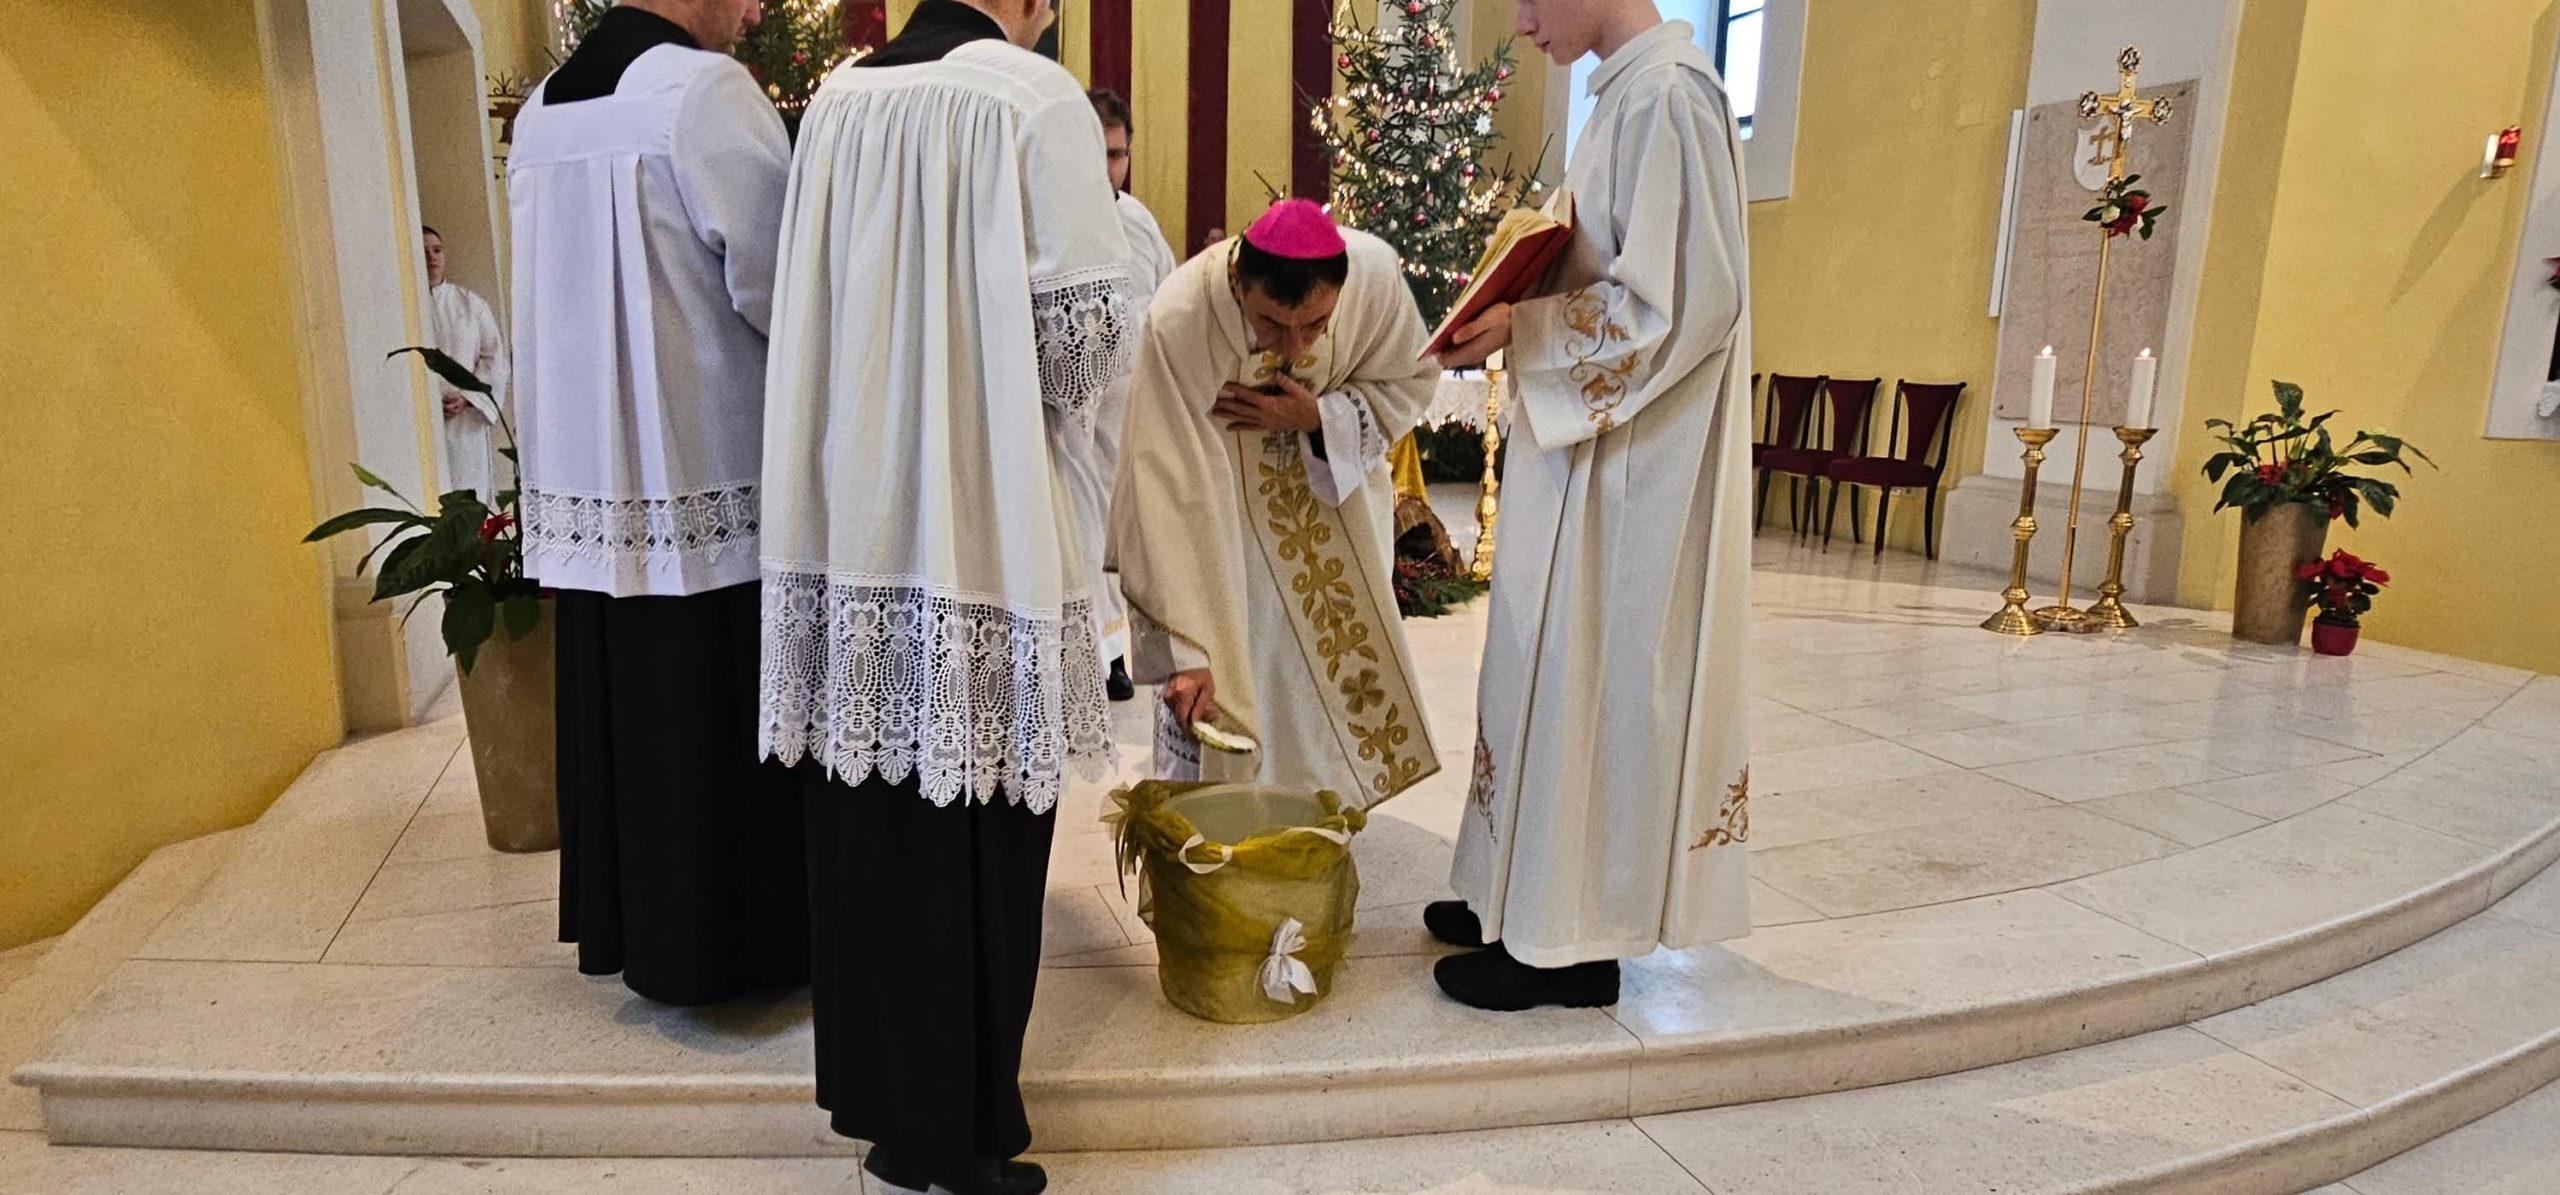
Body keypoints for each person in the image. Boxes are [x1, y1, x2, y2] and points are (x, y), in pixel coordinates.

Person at [757, 2, 1136, 1192]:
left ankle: (892, 1113)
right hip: (983, 514)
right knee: (980, 832)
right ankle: (962, 1130)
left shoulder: (837, 100)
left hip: (856, 513)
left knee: (874, 820)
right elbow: (1079, 352)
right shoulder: (1032, 97)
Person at [1431, 0, 1754, 1011]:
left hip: (1630, 475)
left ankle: (1570, 946)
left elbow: (1682, 306)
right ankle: (1514, 894)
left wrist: (1521, 330)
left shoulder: (1670, 98)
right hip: (1585, 451)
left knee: (1588, 676)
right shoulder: (1623, 96)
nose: (1522, 25)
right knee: (1539, 665)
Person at [505, 0, 807, 1007]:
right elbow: (781, 283)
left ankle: (642, 932)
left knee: (632, 718)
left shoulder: (543, 111)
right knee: (713, 720)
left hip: (594, 487)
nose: (756, 11)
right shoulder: (701, 93)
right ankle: (735, 951)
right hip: (707, 463)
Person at [1112, 199, 1442, 808]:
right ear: (1240, 282)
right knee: (1228, 691)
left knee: (1316, 700)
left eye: (1315, 325)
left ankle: (1317, 821)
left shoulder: (1373, 278)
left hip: (1335, 517)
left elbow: (1413, 381)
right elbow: (1159, 478)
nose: (1292, 346)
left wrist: (1318, 416)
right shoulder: (1182, 315)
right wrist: (1186, 650)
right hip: (1222, 533)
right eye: (1270, 323)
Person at [1086, 87, 1177, 703]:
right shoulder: (1044, 217)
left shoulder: (1140, 223)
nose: (1106, 169)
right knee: (1085, 529)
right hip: (1073, 411)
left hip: (1130, 405)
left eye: (1116, 155)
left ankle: (1121, 648)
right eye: (1094, 153)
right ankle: (1100, 654)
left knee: (1126, 532)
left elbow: (1166, 303)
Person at [422, 225, 508, 499]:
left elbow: (494, 358)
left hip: (464, 421)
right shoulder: (405, 307)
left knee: (468, 496)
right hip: (422, 419)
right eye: (424, 252)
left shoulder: (471, 305)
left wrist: (468, 397)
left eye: (437, 250)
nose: (432, 258)